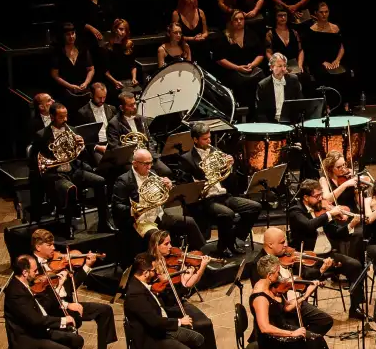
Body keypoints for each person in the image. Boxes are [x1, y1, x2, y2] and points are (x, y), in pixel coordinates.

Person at [30, 228, 122, 349]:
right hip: (52, 310)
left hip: (67, 303)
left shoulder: (57, 263)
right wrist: (62, 293)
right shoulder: (32, 266)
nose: (54, 248)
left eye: (53, 244)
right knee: (71, 327)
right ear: (38, 247)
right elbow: (42, 297)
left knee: (104, 310)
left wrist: (86, 266)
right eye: (49, 245)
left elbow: (71, 287)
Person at [248, 255, 337, 349]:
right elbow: (265, 327)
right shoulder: (260, 297)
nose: (280, 275)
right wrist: (292, 334)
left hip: (282, 328)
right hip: (271, 337)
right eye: (278, 272)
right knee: (312, 341)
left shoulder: (271, 287)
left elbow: (286, 308)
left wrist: (306, 293)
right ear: (270, 275)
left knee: (315, 339)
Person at [123, 253, 203, 349]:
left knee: (197, 338)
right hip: (151, 338)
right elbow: (153, 322)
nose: (157, 272)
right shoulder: (135, 294)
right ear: (146, 272)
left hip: (160, 329)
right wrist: (179, 321)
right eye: (154, 270)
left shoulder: (141, 285)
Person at [3, 254, 80, 349]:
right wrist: (62, 321)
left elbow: (39, 313)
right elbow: (35, 320)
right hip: (28, 339)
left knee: (77, 340)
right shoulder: (15, 292)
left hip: (37, 331)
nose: (37, 273)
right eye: (34, 270)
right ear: (25, 273)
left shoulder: (24, 285)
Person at [286, 180, 366, 320]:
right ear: (306, 197)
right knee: (310, 274)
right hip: (307, 257)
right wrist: (329, 215)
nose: (321, 199)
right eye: (317, 196)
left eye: (321, 195)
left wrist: (351, 225)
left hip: (328, 255)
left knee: (355, 265)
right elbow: (309, 226)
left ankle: (355, 308)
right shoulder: (295, 211)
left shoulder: (322, 210)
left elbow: (336, 234)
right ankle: (303, 313)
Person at [146, 230, 219, 349]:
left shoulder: (176, 260)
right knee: (193, 326)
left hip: (178, 301)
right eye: (166, 244)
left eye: (170, 242)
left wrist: (201, 267)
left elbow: (187, 284)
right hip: (165, 306)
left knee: (205, 323)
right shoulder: (151, 264)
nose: (171, 247)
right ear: (156, 246)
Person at [180, 122, 259, 256]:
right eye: (205, 139)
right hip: (205, 200)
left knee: (254, 207)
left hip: (224, 195)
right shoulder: (187, 159)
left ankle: (234, 238)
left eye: (209, 137)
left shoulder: (217, 152)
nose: (209, 141)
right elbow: (185, 185)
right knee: (227, 214)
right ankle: (223, 247)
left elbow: (231, 182)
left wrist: (230, 167)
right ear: (195, 139)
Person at [36, 104, 111, 234]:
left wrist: (82, 147)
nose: (65, 119)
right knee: (70, 189)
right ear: (52, 117)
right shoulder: (42, 135)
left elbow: (82, 157)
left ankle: (103, 223)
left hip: (74, 170)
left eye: (66, 116)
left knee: (100, 181)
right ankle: (68, 226)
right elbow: (35, 161)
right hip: (56, 174)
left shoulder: (73, 130)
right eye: (61, 117)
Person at [109, 146, 201, 253]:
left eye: (151, 163)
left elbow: (162, 196)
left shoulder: (152, 174)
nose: (149, 167)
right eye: (146, 164)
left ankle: (198, 255)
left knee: (190, 222)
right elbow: (117, 206)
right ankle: (163, 265)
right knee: (160, 238)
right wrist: (135, 210)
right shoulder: (123, 180)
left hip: (158, 215)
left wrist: (169, 186)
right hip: (140, 221)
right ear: (135, 164)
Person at [211, 10, 264, 105]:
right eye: (236, 19)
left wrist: (253, 65)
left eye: (241, 19)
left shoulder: (251, 34)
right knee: (240, 83)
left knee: (260, 77)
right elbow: (219, 59)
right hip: (232, 70)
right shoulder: (224, 36)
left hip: (249, 68)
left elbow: (260, 54)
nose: (239, 21)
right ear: (231, 22)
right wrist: (237, 67)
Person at [50, 22, 95, 107]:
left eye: (73, 33)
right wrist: (70, 86)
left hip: (82, 86)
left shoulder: (83, 49)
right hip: (65, 87)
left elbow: (91, 69)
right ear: (63, 36)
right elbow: (55, 75)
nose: (71, 37)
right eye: (68, 34)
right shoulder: (58, 52)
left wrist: (85, 83)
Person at [253, 53, 301, 124]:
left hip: (290, 122)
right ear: (272, 67)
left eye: (284, 66)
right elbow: (260, 112)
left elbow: (300, 103)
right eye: (280, 66)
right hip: (271, 123)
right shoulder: (263, 85)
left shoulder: (293, 80)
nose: (283, 69)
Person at [265, 9, 304, 76]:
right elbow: (268, 53)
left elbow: (300, 50)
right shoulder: (270, 34)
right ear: (275, 17)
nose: (283, 17)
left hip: (294, 65)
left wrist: (300, 65)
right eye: (280, 16)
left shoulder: (294, 32)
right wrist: (277, 65)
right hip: (278, 65)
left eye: (285, 15)